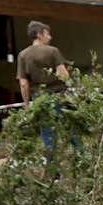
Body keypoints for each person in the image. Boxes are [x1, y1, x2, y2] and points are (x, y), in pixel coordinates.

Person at [16, 21, 71, 154]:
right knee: (71, 127)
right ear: (39, 35)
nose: (50, 37)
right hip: (59, 95)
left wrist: (26, 104)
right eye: (47, 34)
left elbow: (23, 83)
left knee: (47, 133)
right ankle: (81, 161)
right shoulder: (53, 51)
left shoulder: (23, 55)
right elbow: (63, 75)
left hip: (40, 98)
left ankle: (52, 168)